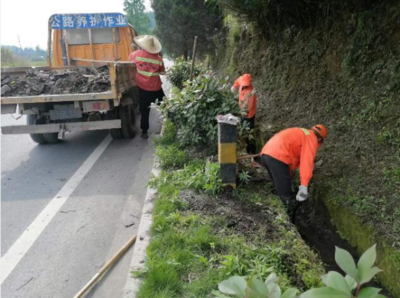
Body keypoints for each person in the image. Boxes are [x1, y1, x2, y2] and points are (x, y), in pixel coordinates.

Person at [259, 125, 328, 216]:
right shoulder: (311, 138)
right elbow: (306, 162)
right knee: (287, 197)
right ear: (320, 139)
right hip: (277, 157)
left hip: (266, 155)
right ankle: (288, 220)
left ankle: (282, 213)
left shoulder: (301, 132)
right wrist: (304, 185)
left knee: (280, 188)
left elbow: (290, 153)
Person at [129, 35, 165, 139]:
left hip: (143, 89)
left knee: (144, 111)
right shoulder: (159, 59)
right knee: (165, 107)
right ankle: (173, 124)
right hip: (156, 89)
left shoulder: (136, 55)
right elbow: (162, 72)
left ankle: (144, 132)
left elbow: (129, 58)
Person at [231, 74, 257, 155]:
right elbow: (237, 81)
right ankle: (246, 149)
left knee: (249, 135)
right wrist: (234, 86)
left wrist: (240, 115)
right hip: (242, 113)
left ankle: (252, 153)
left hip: (248, 116)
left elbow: (247, 109)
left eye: (246, 85)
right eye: (243, 84)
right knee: (244, 133)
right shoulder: (241, 80)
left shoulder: (250, 93)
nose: (244, 86)